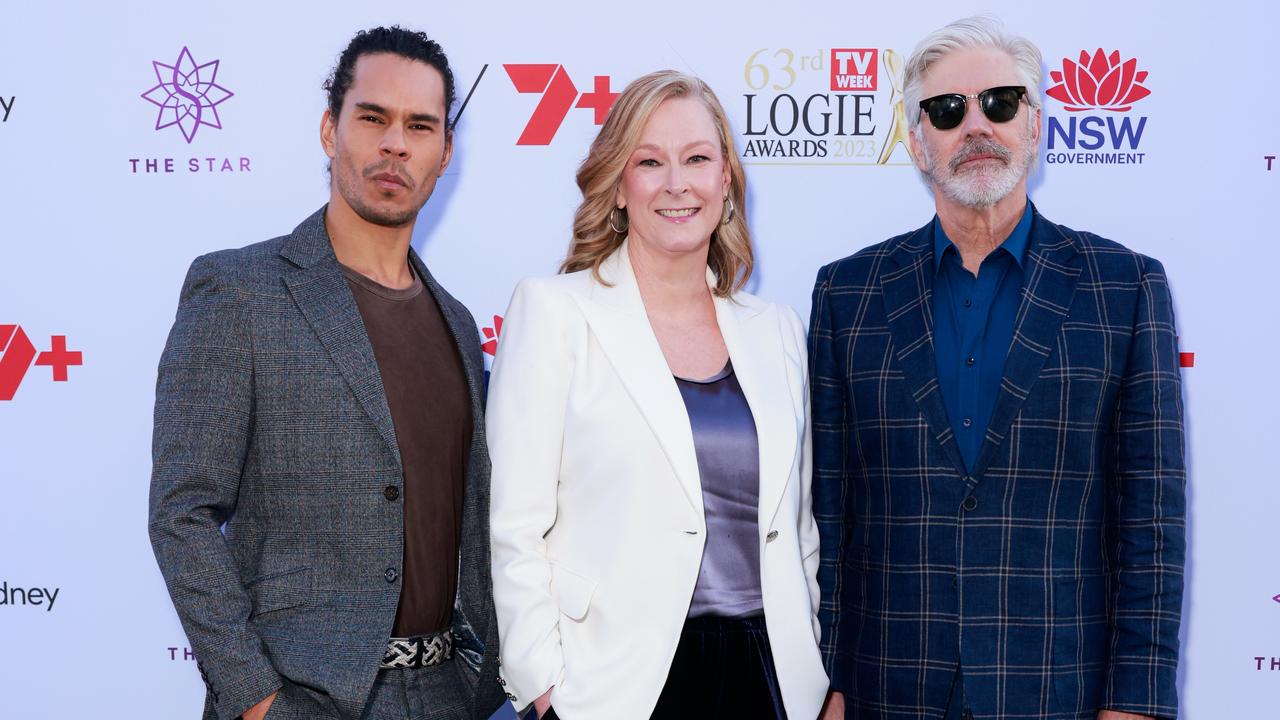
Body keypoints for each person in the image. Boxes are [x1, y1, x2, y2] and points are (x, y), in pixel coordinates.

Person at [810, 16, 1186, 720]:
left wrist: (1134, 701)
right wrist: (825, 679)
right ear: (918, 144)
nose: (975, 126)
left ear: (1036, 127)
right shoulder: (847, 293)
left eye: (1001, 103)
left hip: (1059, 689)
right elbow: (829, 516)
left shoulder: (1124, 288)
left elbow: (1150, 525)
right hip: (885, 689)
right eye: (948, 111)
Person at [148, 27, 505, 720]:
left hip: (445, 696)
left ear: (443, 154)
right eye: (373, 117)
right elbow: (181, 510)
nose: (395, 143)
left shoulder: (459, 325)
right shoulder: (241, 291)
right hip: (301, 697)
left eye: (419, 126)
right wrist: (257, 698)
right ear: (329, 129)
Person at [487, 70, 828, 719]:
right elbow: (514, 528)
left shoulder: (775, 329)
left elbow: (800, 526)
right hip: (618, 682)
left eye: (697, 159)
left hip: (769, 675)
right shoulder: (555, 313)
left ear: (725, 179)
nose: (677, 183)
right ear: (618, 184)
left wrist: (807, 658)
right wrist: (544, 687)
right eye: (650, 161)